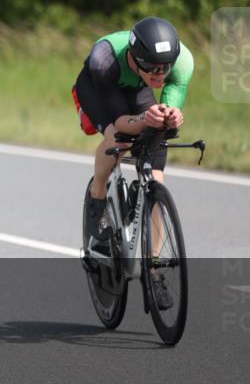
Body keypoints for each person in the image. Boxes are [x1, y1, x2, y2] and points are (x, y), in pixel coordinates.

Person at [72, 17, 193, 308]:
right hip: (100, 87)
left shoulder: (182, 62)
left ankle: (153, 269)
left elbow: (168, 107)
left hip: (136, 87)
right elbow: (121, 122)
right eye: (152, 67)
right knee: (119, 139)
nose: (160, 74)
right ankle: (97, 195)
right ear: (135, 58)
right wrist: (143, 119)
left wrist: (171, 115)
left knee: (157, 166)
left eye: (165, 67)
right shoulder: (104, 58)